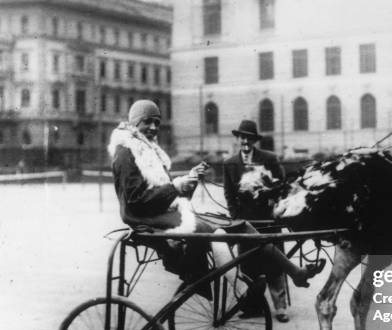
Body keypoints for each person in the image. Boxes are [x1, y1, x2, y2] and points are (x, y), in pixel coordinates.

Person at [108, 100, 323, 303]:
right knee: (210, 230)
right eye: (148, 121)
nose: (154, 127)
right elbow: (136, 201)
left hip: (164, 212)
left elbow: (163, 193)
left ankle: (294, 272)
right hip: (143, 217)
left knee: (242, 226)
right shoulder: (127, 151)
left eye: (157, 122)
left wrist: (187, 182)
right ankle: (240, 290)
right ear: (135, 122)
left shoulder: (148, 150)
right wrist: (176, 187)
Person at [223, 120, 291, 322]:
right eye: (242, 137)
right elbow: (228, 194)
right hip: (245, 221)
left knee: (274, 262)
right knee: (248, 265)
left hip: (268, 219)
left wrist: (273, 205)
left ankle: (280, 308)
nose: (245, 141)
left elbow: (282, 186)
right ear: (238, 139)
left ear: (254, 140)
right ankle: (254, 306)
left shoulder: (269, 158)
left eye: (249, 137)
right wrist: (236, 218)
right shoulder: (230, 163)